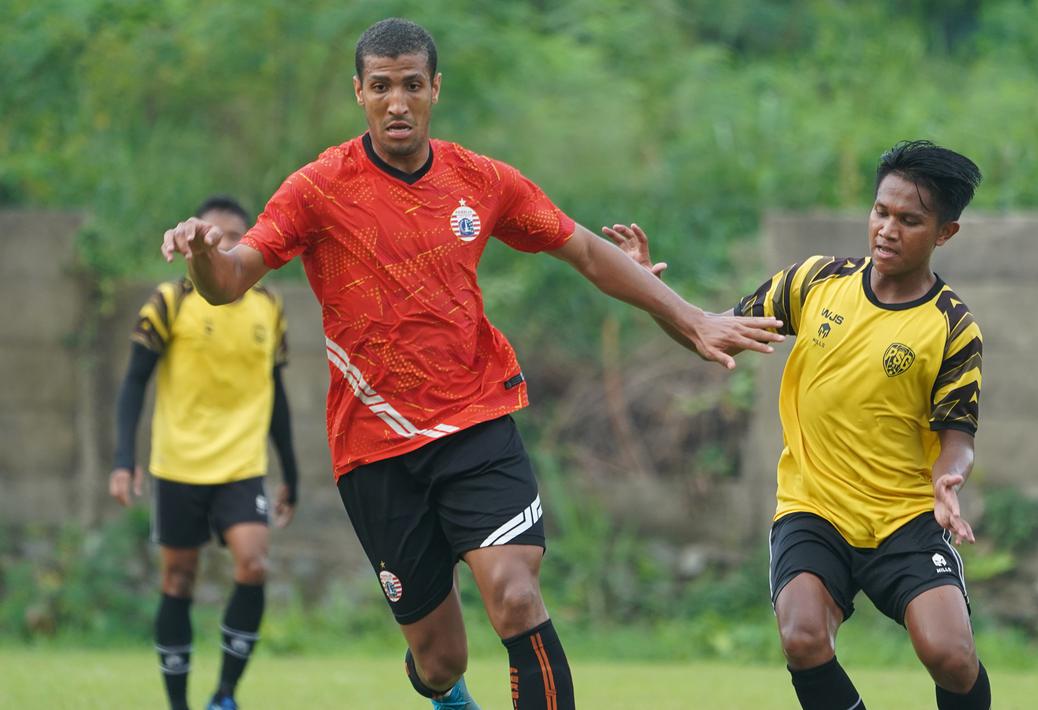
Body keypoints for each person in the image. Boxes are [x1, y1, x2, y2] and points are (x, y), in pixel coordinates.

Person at [159, 18, 782, 710]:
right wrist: (201, 255)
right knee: (439, 658)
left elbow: (581, 250)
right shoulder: (317, 188)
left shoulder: (480, 180)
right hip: (374, 452)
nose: (398, 102)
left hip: (476, 422)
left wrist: (691, 315)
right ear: (359, 93)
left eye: (412, 86)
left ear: (435, 89)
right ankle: (442, 691)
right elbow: (231, 279)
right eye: (382, 87)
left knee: (516, 596)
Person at [605, 140, 991, 710]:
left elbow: (958, 435)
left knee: (951, 659)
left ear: (944, 233)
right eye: (881, 212)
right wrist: (652, 292)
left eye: (909, 220)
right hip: (814, 507)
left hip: (904, 515)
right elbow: (710, 333)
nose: (887, 229)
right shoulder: (813, 282)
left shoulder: (952, 326)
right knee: (802, 636)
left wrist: (948, 479)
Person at [110, 195, 301, 710]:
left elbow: (278, 395)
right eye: (211, 236)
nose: (222, 245)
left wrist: (292, 473)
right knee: (177, 578)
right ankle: (178, 704)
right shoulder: (169, 302)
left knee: (254, 564)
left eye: (235, 236)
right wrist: (123, 460)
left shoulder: (269, 307)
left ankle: (225, 696)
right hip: (179, 465)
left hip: (243, 466)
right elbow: (133, 384)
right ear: (193, 245)